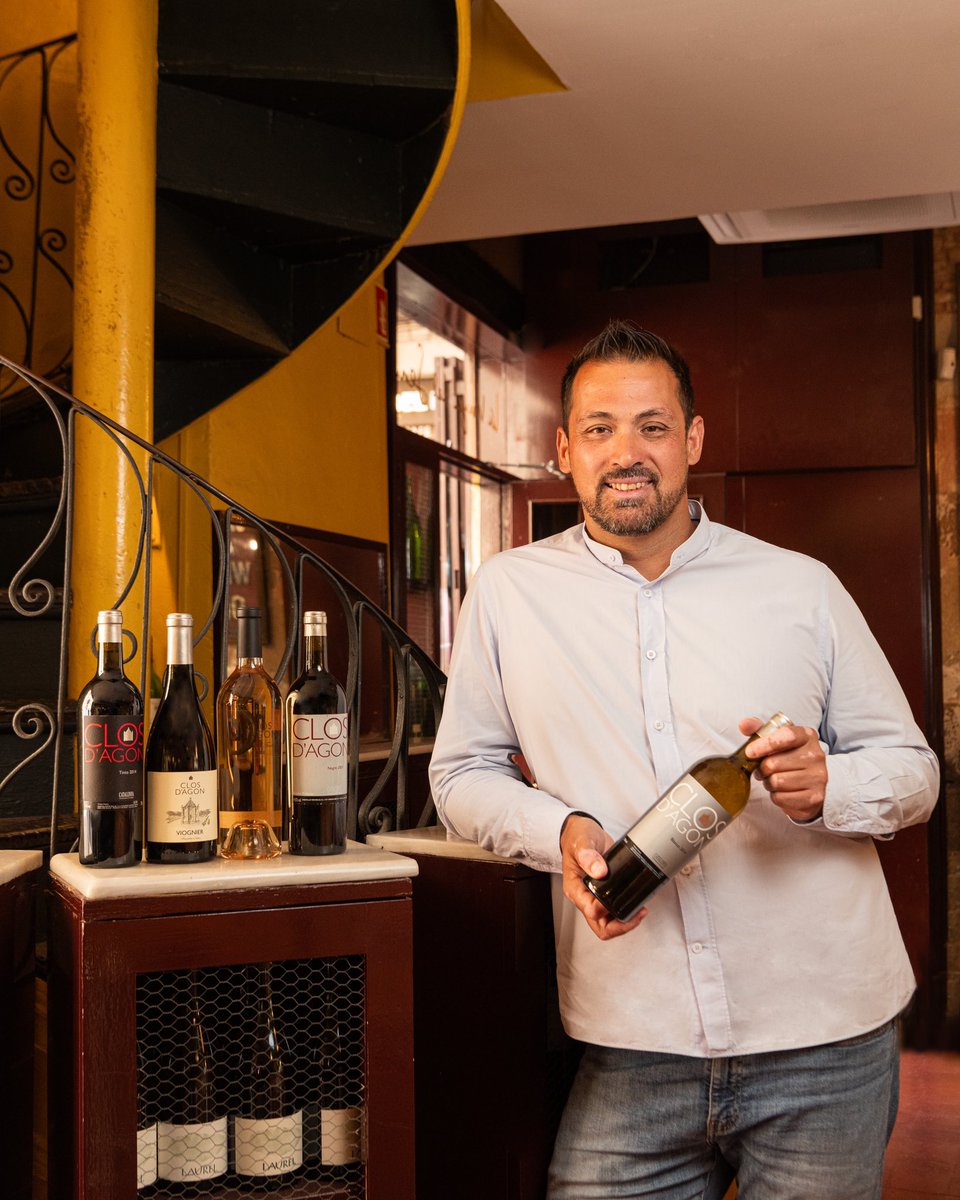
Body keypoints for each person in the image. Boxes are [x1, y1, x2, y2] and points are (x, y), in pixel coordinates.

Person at [427, 319, 940, 1200]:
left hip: (824, 1036)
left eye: (652, 426)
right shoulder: (510, 593)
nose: (626, 452)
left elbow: (914, 769)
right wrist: (564, 830)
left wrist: (833, 787)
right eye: (599, 428)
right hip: (632, 1039)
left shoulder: (801, 586)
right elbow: (460, 773)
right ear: (565, 449)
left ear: (693, 439)